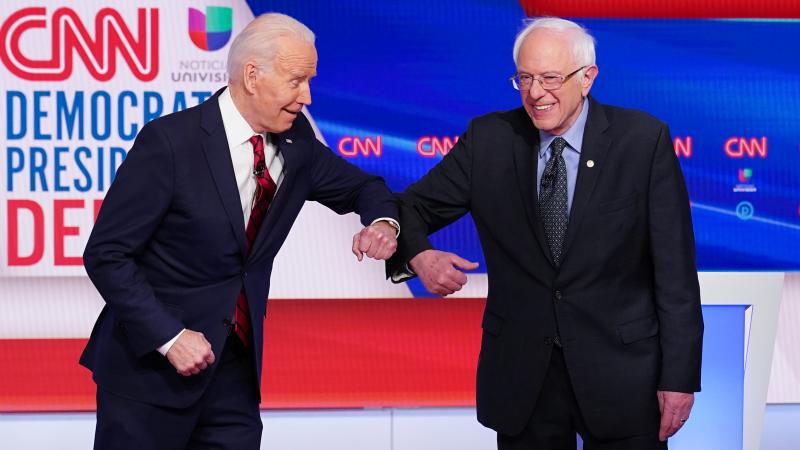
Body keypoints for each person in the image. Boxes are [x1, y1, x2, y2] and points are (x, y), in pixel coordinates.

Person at [81, 13, 399, 450]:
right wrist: (169, 337)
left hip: (234, 375)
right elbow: (107, 254)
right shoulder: (171, 143)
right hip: (149, 376)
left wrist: (382, 222)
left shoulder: (297, 141)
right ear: (253, 76)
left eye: (310, 80)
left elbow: (364, 187)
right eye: (296, 81)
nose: (306, 95)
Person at [388, 17, 703, 449]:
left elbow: (676, 274)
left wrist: (680, 378)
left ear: (588, 78)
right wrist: (420, 255)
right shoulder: (490, 139)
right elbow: (409, 207)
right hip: (524, 381)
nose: (536, 93)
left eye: (551, 78)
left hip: (623, 377)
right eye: (525, 78)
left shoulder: (642, 141)